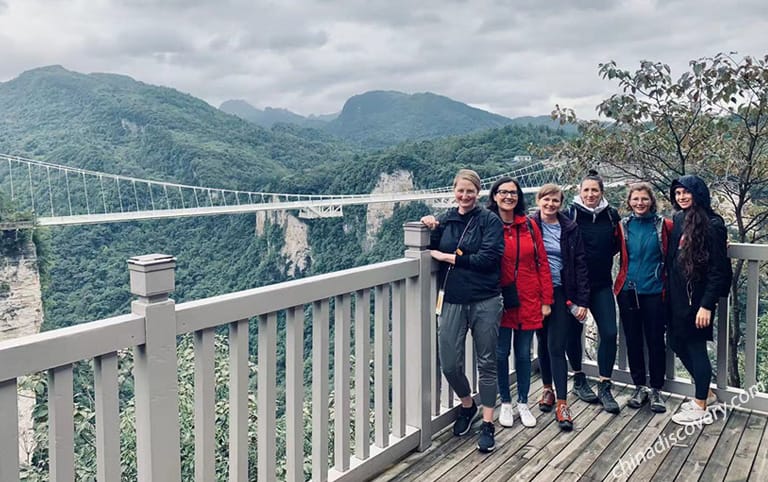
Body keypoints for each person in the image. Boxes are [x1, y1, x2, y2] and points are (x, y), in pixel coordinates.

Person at [420, 168, 504, 452]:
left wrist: (449, 258)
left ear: (477, 192)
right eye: (460, 190)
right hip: (453, 298)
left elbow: (489, 259)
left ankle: (489, 423)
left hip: (485, 299)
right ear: (453, 191)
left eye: (470, 191)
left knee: (487, 362)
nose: (465, 195)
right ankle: (468, 404)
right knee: (449, 363)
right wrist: (429, 224)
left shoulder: (489, 220)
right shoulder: (446, 219)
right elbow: (431, 247)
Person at [487, 177, 553, 429]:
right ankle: (505, 402)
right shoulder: (487, 224)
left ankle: (523, 402)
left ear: (519, 197)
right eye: (503, 192)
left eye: (513, 193)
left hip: (528, 297)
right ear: (494, 196)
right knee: (501, 353)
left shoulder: (529, 226)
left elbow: (542, 263)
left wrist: (546, 300)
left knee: (524, 354)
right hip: (499, 298)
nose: (508, 197)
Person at [667, 175, 732, 426]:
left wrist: (707, 304)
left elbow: (718, 270)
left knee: (695, 347)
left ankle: (700, 405)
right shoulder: (679, 219)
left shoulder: (713, 225)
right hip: (677, 296)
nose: (681, 197)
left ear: (698, 193)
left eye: (686, 192)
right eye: (678, 193)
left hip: (698, 299)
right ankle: (707, 394)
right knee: (675, 341)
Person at [532, 184, 590, 431]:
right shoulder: (529, 225)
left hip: (560, 292)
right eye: (546, 199)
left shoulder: (569, 227)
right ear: (539, 200)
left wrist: (583, 300)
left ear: (561, 203)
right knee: (542, 342)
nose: (550, 204)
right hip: (535, 293)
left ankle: (562, 403)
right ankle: (547, 390)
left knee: (557, 345)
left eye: (555, 200)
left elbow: (580, 264)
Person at [614, 182, 672, 413]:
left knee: (656, 340)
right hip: (628, 290)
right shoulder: (622, 226)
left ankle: (657, 389)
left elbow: (688, 241)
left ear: (651, 201)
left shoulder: (665, 225)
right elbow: (597, 246)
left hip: (656, 290)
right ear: (629, 202)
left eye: (644, 199)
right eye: (635, 199)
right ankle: (639, 386)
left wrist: (721, 241)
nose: (639, 203)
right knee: (633, 340)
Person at [568, 170, 622, 414]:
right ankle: (579, 379)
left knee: (610, 332)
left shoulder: (611, 215)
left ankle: (604, 384)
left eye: (595, 190)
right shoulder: (568, 214)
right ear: (579, 191)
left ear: (602, 193)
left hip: (601, 284)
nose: (590, 194)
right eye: (586, 190)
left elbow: (620, 244)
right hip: (576, 286)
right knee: (573, 331)